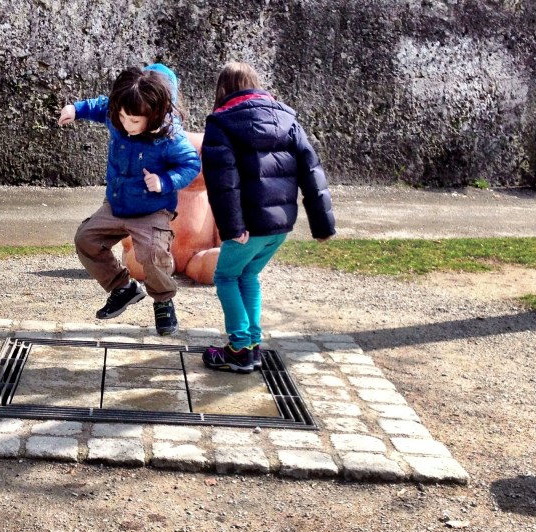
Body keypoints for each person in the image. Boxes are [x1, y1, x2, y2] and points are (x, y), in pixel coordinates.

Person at [200, 62, 336, 373]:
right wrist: (323, 226)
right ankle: (252, 346)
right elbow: (312, 173)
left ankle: (238, 347)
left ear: (222, 90)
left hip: (246, 227)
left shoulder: (221, 123)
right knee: (248, 276)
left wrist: (233, 227)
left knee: (225, 277)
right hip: (279, 226)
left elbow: (223, 181)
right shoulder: (287, 119)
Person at [58, 66, 200, 334]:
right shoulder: (117, 113)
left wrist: (165, 181)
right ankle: (122, 288)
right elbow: (100, 105)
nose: (126, 124)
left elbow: (190, 164)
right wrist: (75, 109)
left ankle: (163, 301)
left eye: (134, 120)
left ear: (155, 113)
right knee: (86, 239)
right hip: (118, 204)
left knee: (153, 255)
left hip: (153, 209)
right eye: (122, 117)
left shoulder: (170, 137)